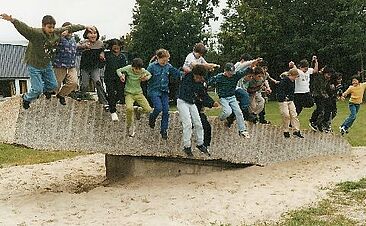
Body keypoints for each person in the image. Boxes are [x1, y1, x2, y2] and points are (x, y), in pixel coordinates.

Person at [0, 13, 89, 109]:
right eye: (49, 27)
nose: (51, 30)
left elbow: (70, 28)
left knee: (53, 85)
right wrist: (12, 20)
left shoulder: (55, 32)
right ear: (43, 26)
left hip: (46, 64)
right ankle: (26, 98)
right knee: (37, 89)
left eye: (53, 27)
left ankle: (46, 91)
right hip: (34, 65)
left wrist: (85, 26)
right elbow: (24, 28)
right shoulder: (36, 33)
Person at [208, 60, 261, 138]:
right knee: (227, 112)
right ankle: (219, 119)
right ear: (225, 71)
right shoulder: (219, 77)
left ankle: (242, 130)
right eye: (229, 73)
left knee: (239, 112)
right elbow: (209, 82)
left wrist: (252, 65)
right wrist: (210, 71)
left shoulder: (235, 75)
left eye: (232, 73)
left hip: (232, 97)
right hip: (223, 98)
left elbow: (245, 72)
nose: (231, 75)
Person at [177, 64, 212, 157]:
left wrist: (212, 103)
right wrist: (182, 68)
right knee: (187, 124)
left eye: (201, 78)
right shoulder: (186, 77)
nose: (200, 80)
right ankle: (187, 146)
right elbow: (180, 69)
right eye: (198, 77)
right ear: (195, 75)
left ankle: (200, 144)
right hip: (182, 102)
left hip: (191, 103)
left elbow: (203, 95)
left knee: (198, 123)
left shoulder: (200, 83)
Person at [147, 49, 182, 139]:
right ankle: (152, 118)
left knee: (166, 110)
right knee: (158, 108)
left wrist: (183, 72)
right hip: (154, 90)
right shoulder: (152, 67)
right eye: (163, 60)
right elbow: (146, 76)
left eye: (167, 60)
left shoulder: (168, 66)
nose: (165, 62)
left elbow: (176, 74)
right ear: (158, 58)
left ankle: (164, 130)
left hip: (164, 91)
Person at [116, 58, 152, 137]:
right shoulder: (128, 68)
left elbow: (149, 74)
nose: (137, 71)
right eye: (135, 69)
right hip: (129, 93)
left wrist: (146, 78)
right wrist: (121, 76)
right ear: (132, 67)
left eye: (139, 69)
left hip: (139, 93)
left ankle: (138, 110)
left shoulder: (142, 70)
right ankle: (130, 125)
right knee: (129, 108)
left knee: (148, 109)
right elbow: (118, 70)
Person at [78, 26, 109, 110]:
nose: (93, 35)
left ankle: (104, 101)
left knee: (98, 82)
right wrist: (83, 46)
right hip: (85, 67)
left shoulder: (99, 43)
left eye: (95, 33)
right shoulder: (84, 42)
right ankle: (81, 96)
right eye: (90, 33)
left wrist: (102, 54)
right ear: (86, 34)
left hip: (94, 67)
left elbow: (103, 50)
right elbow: (76, 47)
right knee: (84, 84)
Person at [52, 22, 79, 106]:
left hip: (71, 65)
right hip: (59, 65)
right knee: (56, 84)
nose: (69, 32)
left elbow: (76, 50)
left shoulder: (73, 40)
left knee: (73, 83)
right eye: (67, 30)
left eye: (71, 31)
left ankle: (61, 95)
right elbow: (52, 42)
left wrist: (84, 47)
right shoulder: (58, 38)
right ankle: (51, 99)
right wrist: (61, 35)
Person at [103, 39, 128, 121]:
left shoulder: (122, 56)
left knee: (120, 94)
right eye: (114, 47)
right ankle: (113, 111)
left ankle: (110, 101)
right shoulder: (107, 55)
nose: (116, 49)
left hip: (119, 78)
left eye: (118, 47)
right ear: (111, 47)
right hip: (109, 77)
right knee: (111, 93)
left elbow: (125, 68)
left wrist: (124, 75)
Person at [277, 68, 304, 138]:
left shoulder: (292, 82)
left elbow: (292, 91)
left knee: (294, 114)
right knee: (286, 115)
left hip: (290, 100)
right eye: (295, 76)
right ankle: (286, 131)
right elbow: (280, 91)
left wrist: (290, 97)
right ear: (291, 75)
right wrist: (284, 97)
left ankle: (296, 130)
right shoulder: (283, 81)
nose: (296, 78)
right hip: (283, 101)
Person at [308, 66, 335, 132]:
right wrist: (315, 61)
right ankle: (313, 121)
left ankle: (321, 124)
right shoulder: (319, 76)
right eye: (328, 75)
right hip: (317, 95)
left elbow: (325, 88)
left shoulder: (327, 79)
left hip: (323, 95)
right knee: (320, 110)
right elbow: (319, 89)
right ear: (324, 73)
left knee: (328, 109)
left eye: (330, 75)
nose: (329, 76)